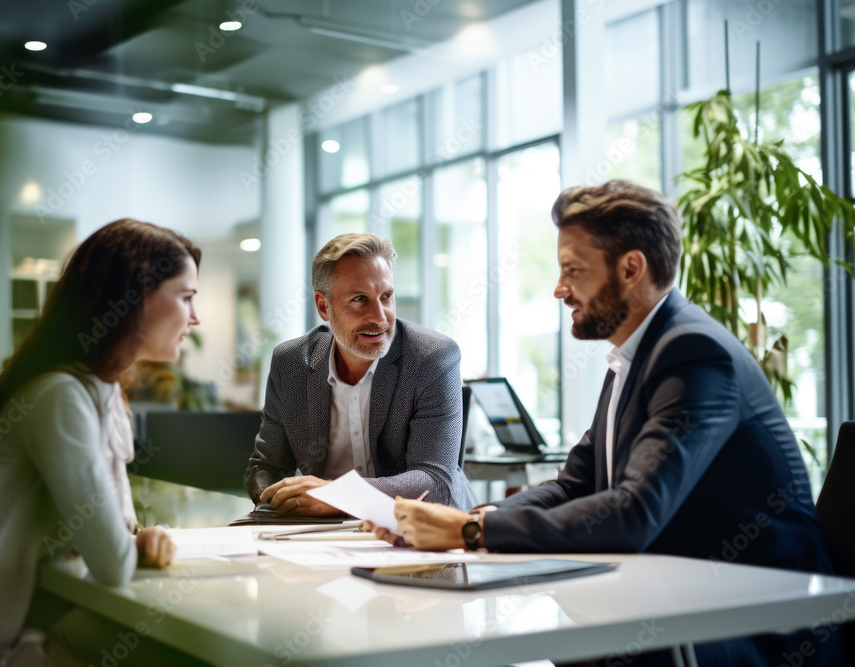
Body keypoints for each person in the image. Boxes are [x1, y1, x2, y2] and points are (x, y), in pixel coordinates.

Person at [370, 181, 843, 666]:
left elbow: (634, 512)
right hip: (682, 600)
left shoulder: (694, 354)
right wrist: (464, 522)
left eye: (573, 271)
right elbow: (575, 484)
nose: (559, 289)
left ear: (631, 268)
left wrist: (472, 531)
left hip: (761, 625)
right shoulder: (635, 355)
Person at [0, 219, 202, 666]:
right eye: (185, 298)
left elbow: (119, 533)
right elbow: (112, 561)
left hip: (26, 629)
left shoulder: (101, 392)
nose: (195, 318)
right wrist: (133, 545)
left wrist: (138, 540)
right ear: (135, 300)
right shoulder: (60, 395)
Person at [247, 233, 476, 515]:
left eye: (386, 296)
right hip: (321, 534)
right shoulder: (292, 362)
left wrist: (338, 496)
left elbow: (434, 480)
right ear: (323, 306)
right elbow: (266, 468)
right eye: (359, 299)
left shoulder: (432, 358)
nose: (380, 317)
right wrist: (278, 499)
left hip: (417, 532)